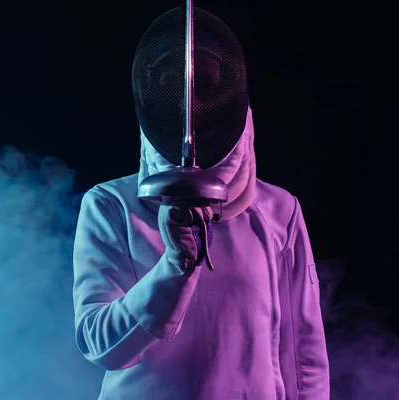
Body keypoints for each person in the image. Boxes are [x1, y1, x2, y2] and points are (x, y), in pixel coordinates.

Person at [72, 6, 329, 400]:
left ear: (232, 96)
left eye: (206, 88)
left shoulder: (279, 210)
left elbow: (304, 353)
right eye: (174, 86)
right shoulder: (110, 205)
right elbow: (99, 345)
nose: (188, 106)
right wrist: (173, 269)